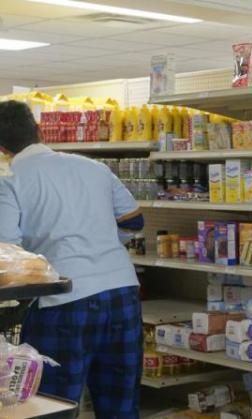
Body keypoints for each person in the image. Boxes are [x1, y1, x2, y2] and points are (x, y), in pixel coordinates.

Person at [0, 100, 145, 417]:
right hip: (121, 293)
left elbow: (8, 254)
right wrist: (104, 242)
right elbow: (134, 221)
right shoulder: (93, 167)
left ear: (1, 147)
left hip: (62, 301)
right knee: (121, 403)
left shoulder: (10, 180)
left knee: (54, 405)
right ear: (39, 130)